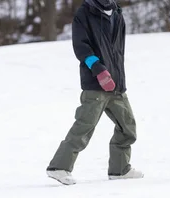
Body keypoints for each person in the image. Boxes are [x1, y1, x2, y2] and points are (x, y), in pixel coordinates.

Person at [45, 0, 143, 185]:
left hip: (116, 83)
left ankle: (120, 169)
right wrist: (98, 70)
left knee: (127, 127)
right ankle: (59, 167)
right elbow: (81, 47)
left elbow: (117, 51)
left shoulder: (116, 13)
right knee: (85, 126)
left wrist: (117, 77)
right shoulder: (85, 13)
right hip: (96, 83)